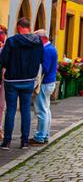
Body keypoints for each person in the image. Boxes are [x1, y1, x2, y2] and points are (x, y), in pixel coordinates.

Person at [0, 18, 43, 150]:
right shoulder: (38, 41)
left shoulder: (12, 41)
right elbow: (41, 59)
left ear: (18, 27)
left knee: (11, 110)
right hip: (29, 80)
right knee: (26, 111)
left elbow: (4, 61)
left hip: (12, 80)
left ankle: (6, 142)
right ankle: (24, 142)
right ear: (29, 27)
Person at [31, 30, 57, 146]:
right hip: (50, 82)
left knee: (41, 111)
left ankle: (40, 136)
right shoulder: (52, 48)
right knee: (46, 110)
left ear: (42, 39)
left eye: (36, 38)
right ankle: (45, 134)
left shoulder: (46, 50)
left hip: (44, 83)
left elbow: (44, 69)